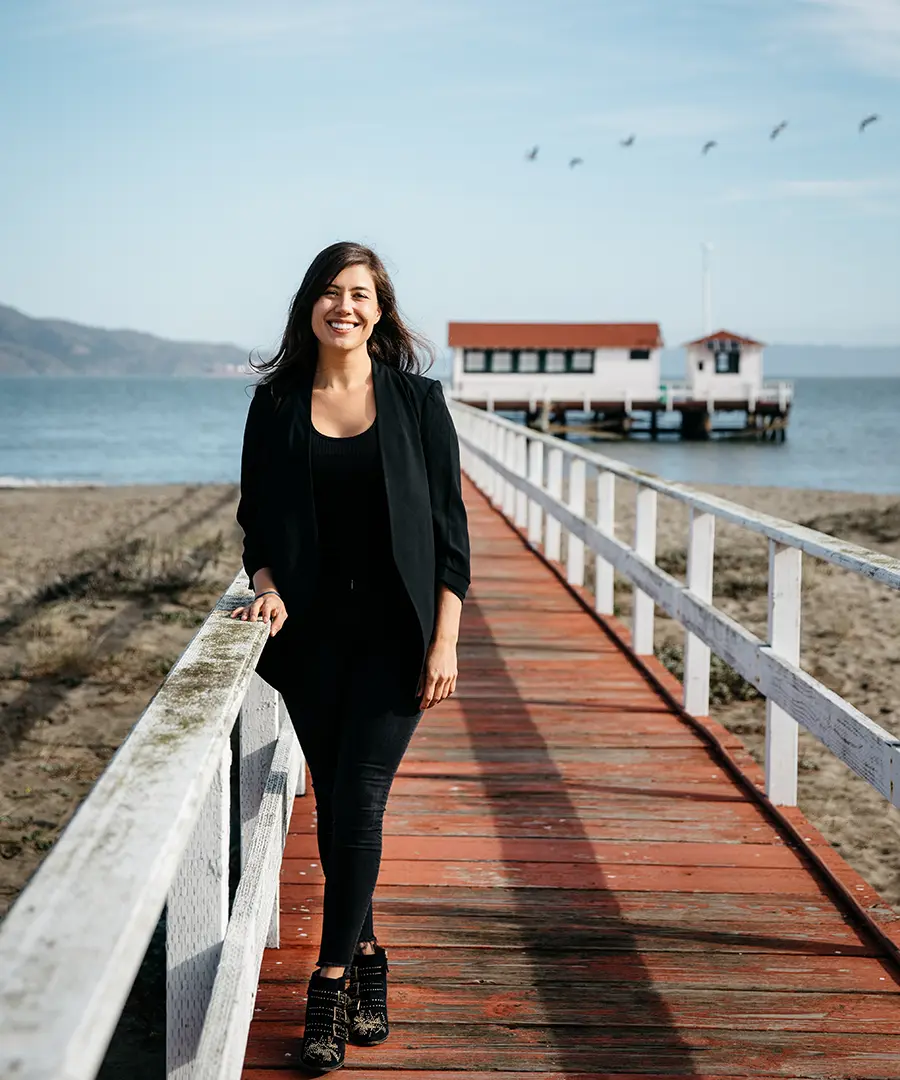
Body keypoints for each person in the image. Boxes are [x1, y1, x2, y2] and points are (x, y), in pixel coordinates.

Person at [231, 241, 470, 1073]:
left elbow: (450, 534)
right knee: (335, 802)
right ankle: (370, 956)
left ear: (381, 308)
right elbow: (256, 521)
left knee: (360, 798)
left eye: (361, 294)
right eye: (332, 292)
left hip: (399, 638)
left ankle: (328, 982)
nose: (347, 306)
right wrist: (264, 583)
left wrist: (446, 639)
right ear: (310, 306)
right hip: (309, 641)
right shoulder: (275, 404)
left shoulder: (416, 401)